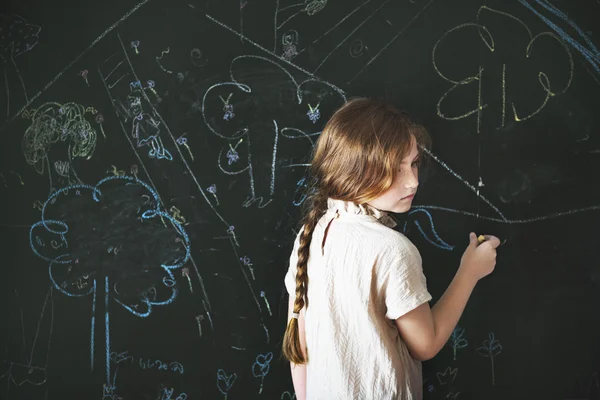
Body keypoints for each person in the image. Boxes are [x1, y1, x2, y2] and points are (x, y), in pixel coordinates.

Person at [282, 97, 500, 399]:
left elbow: (301, 352)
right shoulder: (391, 249)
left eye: (413, 163)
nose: (412, 182)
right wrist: (470, 271)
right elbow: (426, 344)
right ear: (355, 170)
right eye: (396, 170)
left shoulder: (312, 232)